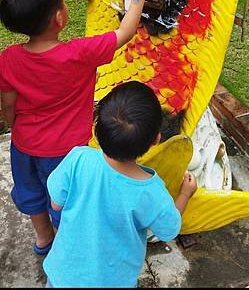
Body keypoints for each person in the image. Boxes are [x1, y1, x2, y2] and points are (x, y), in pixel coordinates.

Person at [0, 0, 158, 256]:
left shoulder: (9, 58)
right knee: (67, 198)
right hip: (65, 152)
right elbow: (125, 33)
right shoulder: (80, 53)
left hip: (24, 146)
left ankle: (43, 237)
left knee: (31, 190)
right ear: (59, 18)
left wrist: (18, 128)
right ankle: (65, 242)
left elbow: (8, 104)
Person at [43, 81, 197, 288]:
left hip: (63, 275)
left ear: (97, 127)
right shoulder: (150, 190)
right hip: (114, 281)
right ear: (156, 139)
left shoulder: (78, 158)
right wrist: (185, 194)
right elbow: (168, 229)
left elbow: (56, 205)